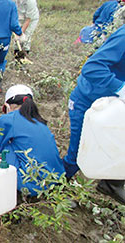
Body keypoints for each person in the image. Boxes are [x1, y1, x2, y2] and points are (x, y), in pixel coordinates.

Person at [63, 25, 125, 204]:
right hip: (88, 101)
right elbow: (92, 68)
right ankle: (51, 191)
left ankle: (113, 182)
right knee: (78, 154)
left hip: (113, 107)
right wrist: (121, 88)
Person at [0, 84, 65, 196]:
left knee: (5, 150)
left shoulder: (8, 119)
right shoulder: (40, 122)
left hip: (32, 186)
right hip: (57, 181)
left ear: (8, 106)